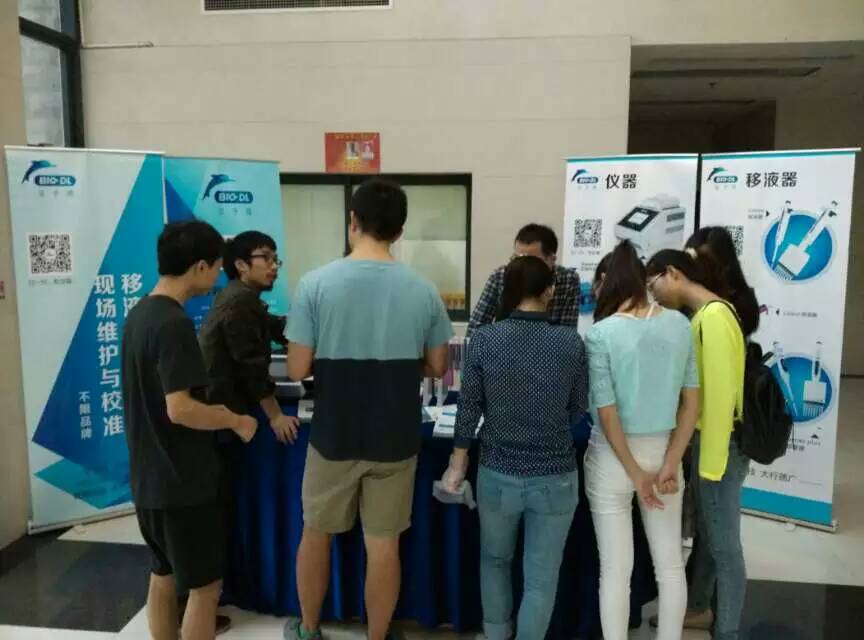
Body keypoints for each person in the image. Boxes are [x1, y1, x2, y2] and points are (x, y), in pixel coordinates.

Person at [285, 179, 453, 640]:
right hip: (395, 437)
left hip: (333, 436)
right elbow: (439, 365)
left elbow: (297, 367)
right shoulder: (423, 290)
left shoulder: (315, 284)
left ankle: (309, 629)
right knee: (383, 545)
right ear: (399, 231)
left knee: (315, 533)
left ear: (352, 222)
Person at [122, 221, 258, 640]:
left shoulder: (140, 313)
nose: (218, 276)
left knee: (163, 574)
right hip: (183, 482)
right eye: (216, 267)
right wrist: (235, 419)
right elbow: (180, 408)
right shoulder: (173, 323)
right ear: (200, 266)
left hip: (148, 479)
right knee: (204, 588)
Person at [442, 255, 588, 640]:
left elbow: (468, 408)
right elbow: (578, 409)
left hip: (498, 472)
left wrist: (457, 465)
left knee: (494, 561)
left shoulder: (485, 339)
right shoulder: (570, 342)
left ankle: (495, 634)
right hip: (556, 475)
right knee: (541, 576)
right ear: (549, 291)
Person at [583, 241, 700, 640]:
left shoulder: (601, 334)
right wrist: (671, 462)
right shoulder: (680, 325)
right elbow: (692, 403)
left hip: (612, 460)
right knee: (670, 566)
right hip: (664, 454)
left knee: (615, 570)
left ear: (607, 281)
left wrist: (635, 473)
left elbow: (606, 412)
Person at [646, 249, 748, 640]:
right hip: (709, 443)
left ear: (672, 273)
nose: (654, 295)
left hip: (717, 446)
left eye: (654, 284)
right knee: (709, 537)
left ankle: (728, 631)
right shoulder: (706, 315)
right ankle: (701, 608)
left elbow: (720, 400)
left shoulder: (714, 318)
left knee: (725, 548)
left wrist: (711, 465)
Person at [199, 230, 300, 444]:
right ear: (241, 265)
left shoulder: (239, 296)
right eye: (266, 258)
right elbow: (251, 366)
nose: (274, 266)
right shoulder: (240, 301)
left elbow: (276, 327)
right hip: (225, 414)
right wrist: (276, 416)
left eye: (276, 259)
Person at [467, 223, 580, 336]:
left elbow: (568, 334)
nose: (522, 266)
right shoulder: (500, 276)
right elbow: (476, 326)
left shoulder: (568, 280)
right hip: (504, 343)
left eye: (530, 261)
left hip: (550, 345)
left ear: (552, 259)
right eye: (517, 258)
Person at [685, 227, 760, 337]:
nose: (700, 269)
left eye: (707, 263)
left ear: (726, 264)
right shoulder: (681, 300)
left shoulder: (742, 303)